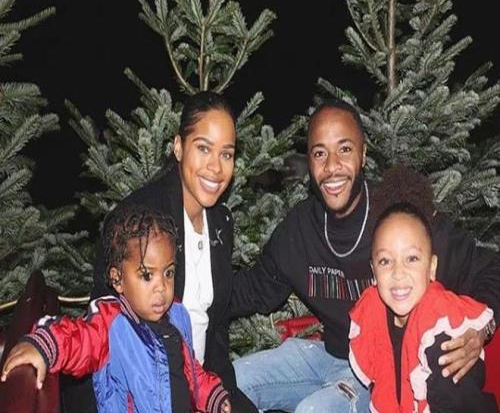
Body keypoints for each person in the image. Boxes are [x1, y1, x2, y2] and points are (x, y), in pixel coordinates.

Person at [231, 100, 500, 412]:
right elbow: (252, 290)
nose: (332, 166)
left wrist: (481, 329)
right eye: (320, 153)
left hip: (379, 372)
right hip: (325, 355)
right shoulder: (299, 229)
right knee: (233, 380)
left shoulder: (399, 222)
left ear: (363, 154)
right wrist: (191, 293)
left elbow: (489, 270)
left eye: (344, 149)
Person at [88, 91, 256, 412]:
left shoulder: (221, 221)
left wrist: (222, 392)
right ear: (179, 147)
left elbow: (217, 325)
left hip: (203, 383)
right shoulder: (138, 223)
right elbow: (105, 324)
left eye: (226, 154)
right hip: (147, 396)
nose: (216, 167)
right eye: (203, 148)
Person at [1, 205, 232, 413]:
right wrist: (44, 346)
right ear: (118, 279)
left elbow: (190, 371)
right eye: (147, 275)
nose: (161, 287)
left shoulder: (177, 316)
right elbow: (78, 339)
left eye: (168, 272)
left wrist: (211, 396)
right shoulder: (113, 324)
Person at [350, 201, 497, 412]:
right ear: (373, 272)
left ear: (432, 267)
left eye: (412, 258)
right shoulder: (374, 316)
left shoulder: (445, 341)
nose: (398, 273)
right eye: (385, 261)